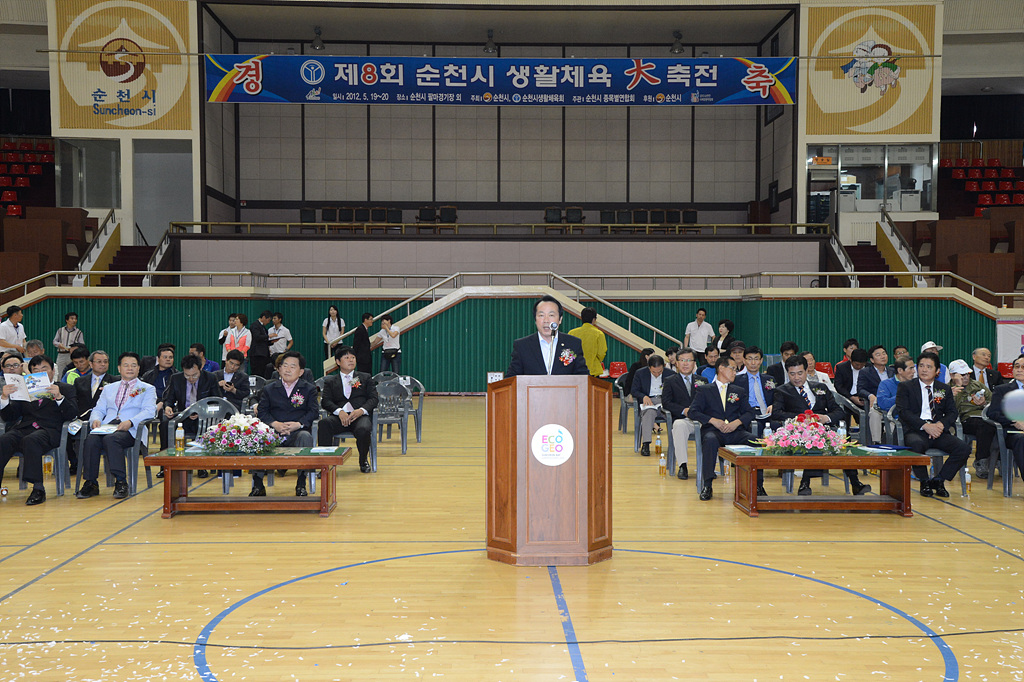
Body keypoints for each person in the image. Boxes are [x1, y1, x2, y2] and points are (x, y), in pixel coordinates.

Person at [771, 355, 871, 496]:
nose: (796, 378)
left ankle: (855, 483)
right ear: (788, 373)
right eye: (792, 374)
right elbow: (776, 413)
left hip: (824, 428)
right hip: (799, 431)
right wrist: (800, 419)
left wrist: (826, 418)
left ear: (807, 371)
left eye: (800, 373)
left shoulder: (820, 387)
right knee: (813, 440)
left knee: (843, 440)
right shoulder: (782, 391)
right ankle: (805, 483)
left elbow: (838, 411)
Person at [76, 352, 156, 500]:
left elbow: (150, 411)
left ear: (139, 368)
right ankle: (91, 483)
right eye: (126, 365)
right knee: (91, 440)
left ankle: (121, 482)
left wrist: (131, 421)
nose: (130, 368)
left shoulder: (146, 388)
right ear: (119, 368)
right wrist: (96, 419)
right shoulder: (109, 388)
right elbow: (99, 409)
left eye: (133, 365)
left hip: (131, 429)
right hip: (108, 426)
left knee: (111, 440)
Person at [0, 354, 78, 505]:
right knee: (4, 440)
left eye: (44, 369)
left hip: (50, 431)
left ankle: (38, 488)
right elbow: (10, 416)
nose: (40, 372)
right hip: (25, 428)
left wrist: (59, 397)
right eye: (36, 370)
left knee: (31, 440)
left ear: (53, 370)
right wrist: (4, 398)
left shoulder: (65, 389)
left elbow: (72, 413)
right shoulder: (25, 389)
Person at [895, 352, 971, 497]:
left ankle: (939, 480)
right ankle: (924, 481)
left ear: (937, 371)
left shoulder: (944, 389)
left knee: (963, 449)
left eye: (929, 367)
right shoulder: (906, 387)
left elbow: (952, 412)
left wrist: (941, 425)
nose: (924, 370)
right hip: (916, 430)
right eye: (921, 366)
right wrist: (925, 426)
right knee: (916, 445)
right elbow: (903, 412)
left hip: (938, 430)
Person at [250, 351, 319, 497]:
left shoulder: (309, 389)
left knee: (305, 436)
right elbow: (262, 411)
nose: (287, 369)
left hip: (297, 432)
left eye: (292, 366)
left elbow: (313, 412)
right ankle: (258, 485)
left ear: (301, 372)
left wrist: (298, 424)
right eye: (284, 366)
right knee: (258, 438)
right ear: (279, 369)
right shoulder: (269, 388)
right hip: (273, 432)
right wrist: (274, 424)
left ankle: (301, 484)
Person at [688, 358, 756, 501]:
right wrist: (712, 420)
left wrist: (737, 423)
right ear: (721, 369)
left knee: (754, 440)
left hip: (735, 431)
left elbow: (749, 412)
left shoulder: (739, 391)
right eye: (733, 369)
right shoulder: (704, 390)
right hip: (713, 431)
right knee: (710, 440)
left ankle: (757, 486)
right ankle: (707, 485)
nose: (735, 372)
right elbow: (693, 412)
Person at [318, 345, 378, 473]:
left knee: (364, 429)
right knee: (324, 424)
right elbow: (326, 401)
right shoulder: (331, 381)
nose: (351, 360)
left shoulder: (365, 377)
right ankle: (325, 464)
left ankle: (363, 460)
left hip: (359, 416)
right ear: (338, 362)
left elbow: (374, 399)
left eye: (353, 357)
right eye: (346, 358)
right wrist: (339, 411)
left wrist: (361, 410)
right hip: (339, 417)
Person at [161, 355, 223, 478]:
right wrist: (167, 407)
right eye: (187, 375)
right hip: (183, 417)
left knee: (206, 427)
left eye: (194, 375)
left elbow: (217, 401)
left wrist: (202, 412)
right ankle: (166, 466)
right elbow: (169, 398)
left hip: (204, 418)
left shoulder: (210, 378)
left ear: (200, 368)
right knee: (165, 426)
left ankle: (202, 466)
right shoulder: (176, 378)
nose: (191, 379)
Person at [506, 295, 589, 377]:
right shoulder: (522, 346)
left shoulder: (573, 344)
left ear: (560, 319)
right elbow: (511, 379)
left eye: (551, 315)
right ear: (535, 320)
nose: (546, 320)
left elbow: (584, 377)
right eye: (541, 315)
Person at [661, 350, 708, 480]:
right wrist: (683, 410)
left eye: (689, 360)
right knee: (679, 426)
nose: (685, 364)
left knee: (714, 426)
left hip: (701, 419)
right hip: (683, 420)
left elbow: (709, 401)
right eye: (682, 360)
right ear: (676, 363)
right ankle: (682, 465)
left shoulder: (702, 380)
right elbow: (666, 403)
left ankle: (708, 468)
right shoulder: (670, 381)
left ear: (694, 363)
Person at [949, 358, 995, 479]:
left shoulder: (977, 385)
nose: (966, 377)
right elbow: (951, 410)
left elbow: (994, 402)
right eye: (962, 375)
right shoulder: (947, 389)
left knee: (995, 425)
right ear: (952, 375)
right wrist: (958, 387)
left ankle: (998, 459)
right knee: (984, 425)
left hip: (983, 415)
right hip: (965, 419)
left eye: (967, 374)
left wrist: (984, 403)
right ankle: (981, 460)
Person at [985, 354, 1024, 484]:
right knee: (1021, 440)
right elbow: (993, 413)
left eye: (1023, 367)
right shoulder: (1002, 390)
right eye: (1017, 367)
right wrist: (1015, 420)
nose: (1019, 370)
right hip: (1013, 433)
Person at [631, 355, 675, 456]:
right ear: (649, 368)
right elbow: (634, 390)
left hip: (664, 401)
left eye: (660, 371)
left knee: (673, 415)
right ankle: (646, 444)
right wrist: (643, 396)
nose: (657, 374)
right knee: (649, 413)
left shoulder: (671, 374)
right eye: (654, 372)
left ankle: (674, 444)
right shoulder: (640, 373)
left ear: (663, 367)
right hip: (649, 401)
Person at [142, 344, 178, 454]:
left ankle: (164, 452)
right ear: (158, 359)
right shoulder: (148, 375)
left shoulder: (177, 375)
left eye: (170, 357)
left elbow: (176, 395)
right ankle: (140, 448)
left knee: (166, 419)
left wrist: (163, 403)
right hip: (150, 404)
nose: (168, 360)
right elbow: (143, 393)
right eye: (165, 357)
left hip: (170, 405)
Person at [734, 346, 774, 419]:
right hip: (746, 416)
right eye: (750, 359)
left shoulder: (769, 379)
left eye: (756, 359)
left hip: (767, 414)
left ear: (761, 360)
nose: (753, 363)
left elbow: (776, 398)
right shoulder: (736, 381)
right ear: (744, 361)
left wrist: (773, 406)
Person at [568, 307, 607, 377]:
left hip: (575, 370)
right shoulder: (599, 334)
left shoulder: (572, 333)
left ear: (581, 318)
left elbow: (568, 352)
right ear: (594, 319)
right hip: (593, 370)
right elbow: (601, 353)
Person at [52, 312, 84, 379]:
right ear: (67, 320)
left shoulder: (79, 332)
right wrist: (59, 344)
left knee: (72, 372)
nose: (74, 320)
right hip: (61, 355)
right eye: (72, 318)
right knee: (60, 373)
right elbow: (54, 341)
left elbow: (82, 344)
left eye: (75, 319)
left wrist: (76, 347)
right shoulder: (60, 330)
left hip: (72, 355)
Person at [249, 310, 272, 379]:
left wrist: (271, 342)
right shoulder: (255, 325)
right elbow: (257, 337)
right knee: (257, 372)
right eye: (268, 320)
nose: (268, 322)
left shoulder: (263, 327)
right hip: (257, 354)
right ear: (264, 317)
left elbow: (263, 340)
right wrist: (268, 336)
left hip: (263, 354)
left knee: (263, 372)